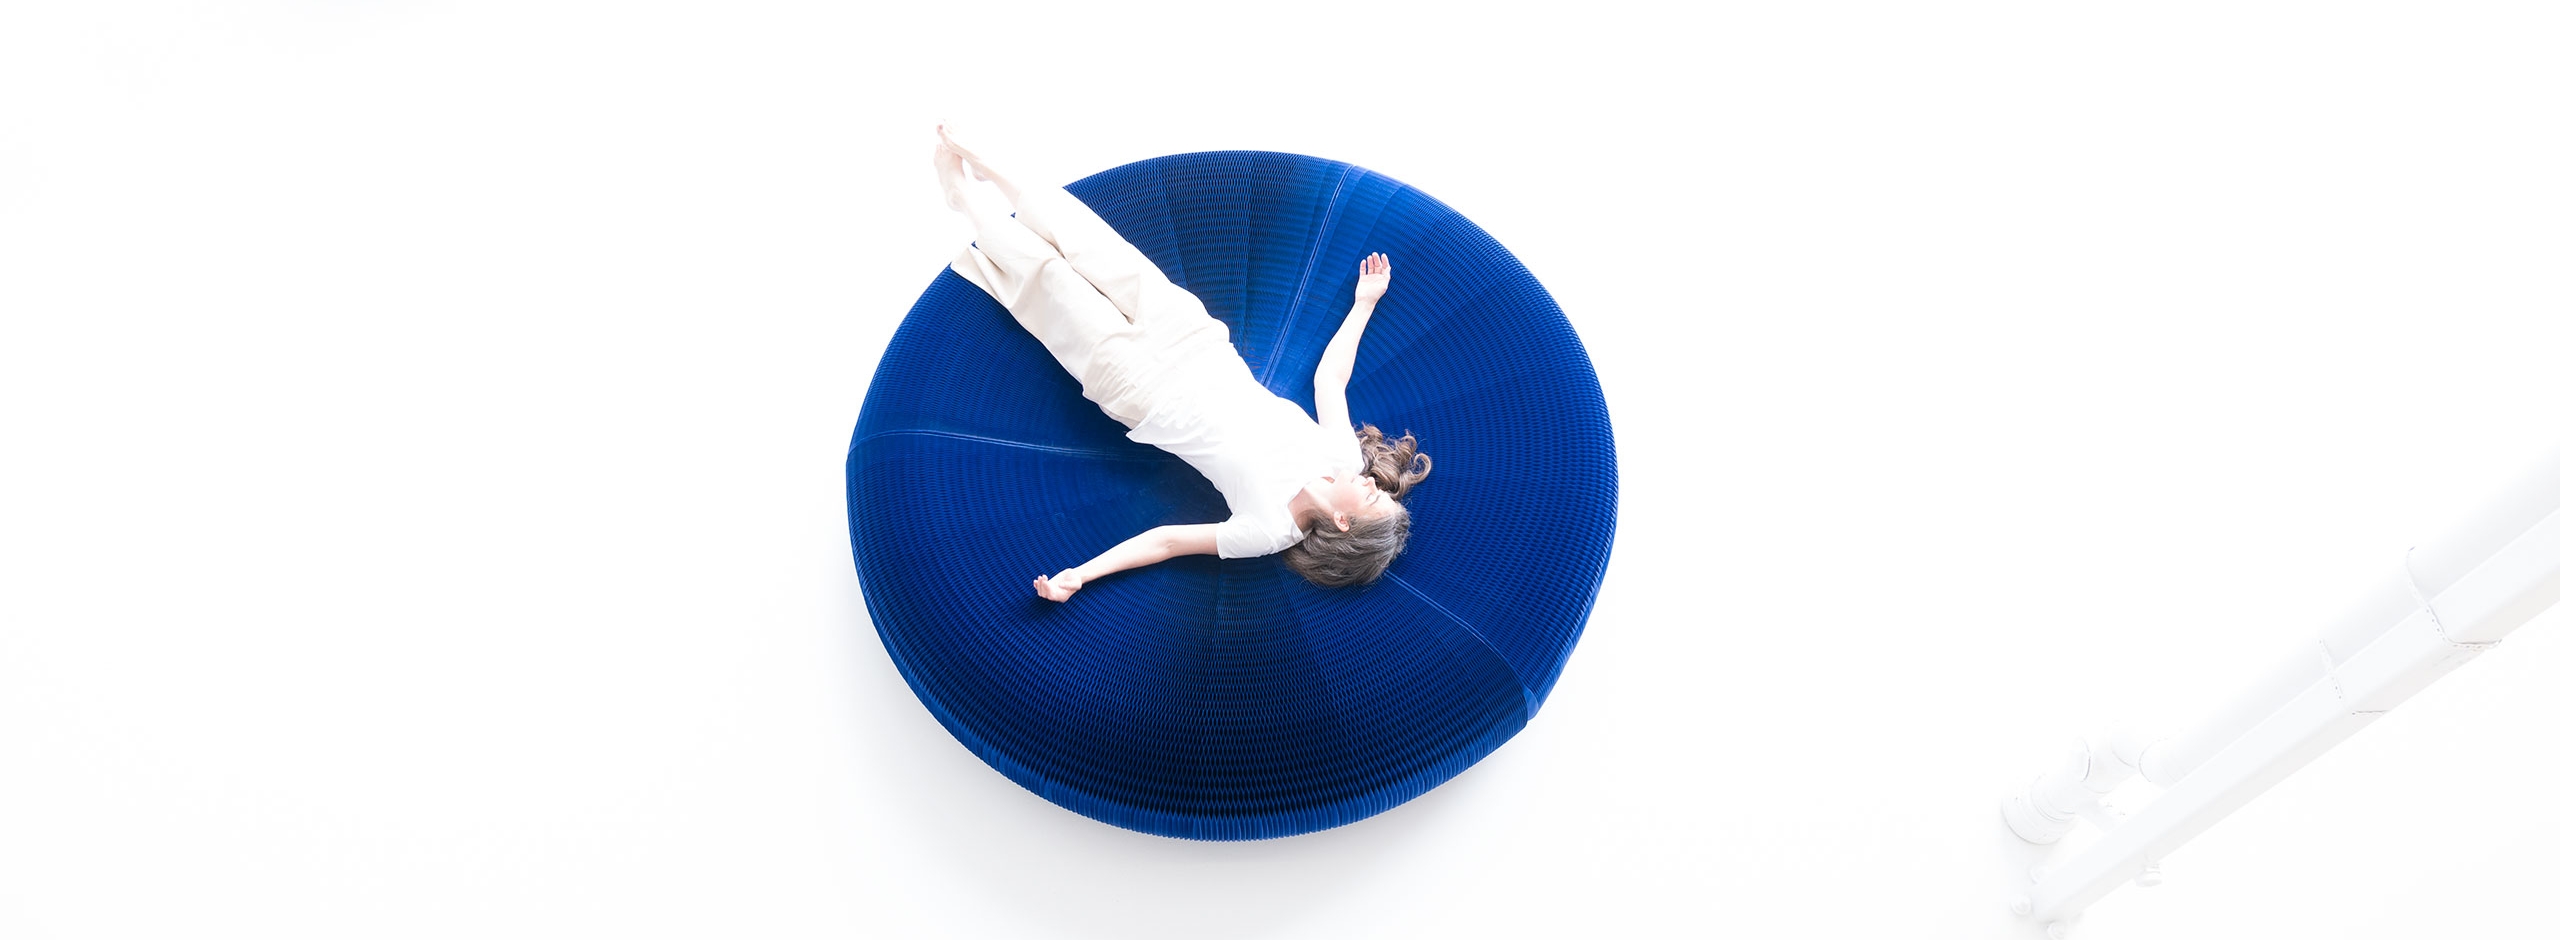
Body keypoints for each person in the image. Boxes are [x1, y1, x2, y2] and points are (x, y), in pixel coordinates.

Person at [930, 126, 1432, 603]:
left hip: (1141, 390)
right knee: (1096, 246)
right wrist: (1364, 302)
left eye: (1370, 497)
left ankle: (966, 202)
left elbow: (1166, 542)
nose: (1371, 480)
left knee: (1050, 284)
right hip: (1196, 343)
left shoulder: (1267, 531)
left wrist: (1079, 576)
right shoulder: (1341, 460)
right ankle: (985, 160)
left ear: (1343, 524)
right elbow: (1331, 380)